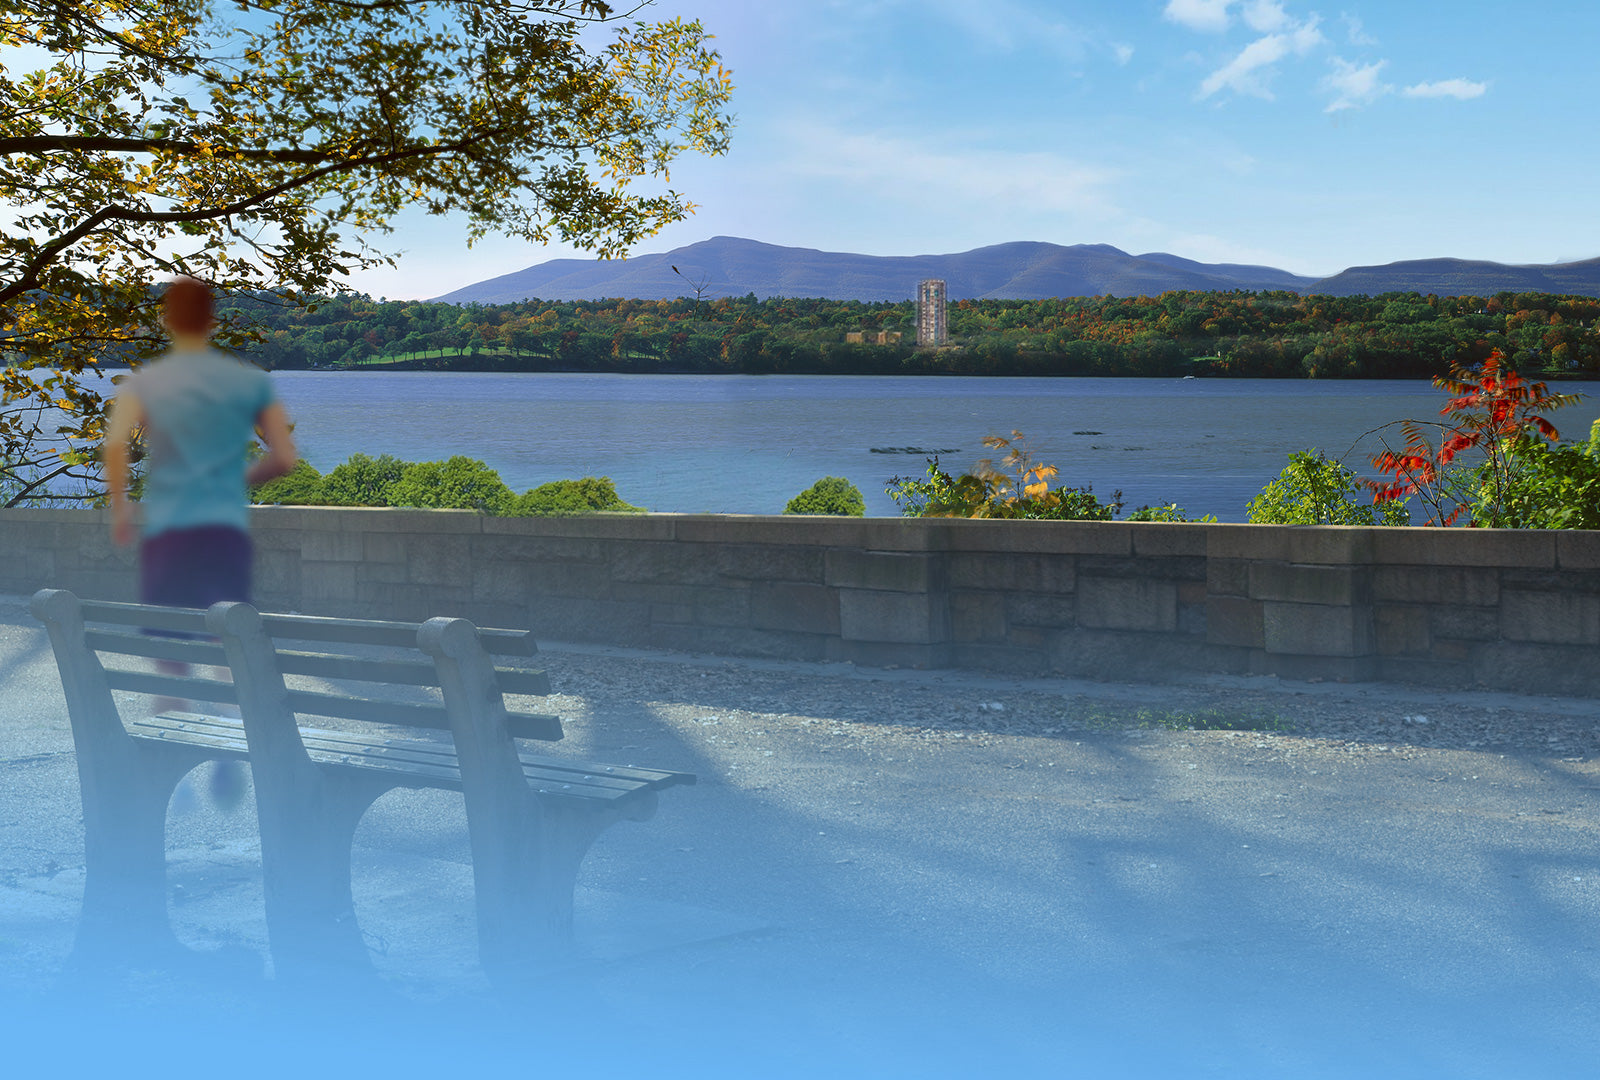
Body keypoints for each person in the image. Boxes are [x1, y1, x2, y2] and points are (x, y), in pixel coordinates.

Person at [104, 276, 297, 606]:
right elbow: (283, 458)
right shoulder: (248, 383)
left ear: (167, 321)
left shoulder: (143, 386)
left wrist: (121, 514)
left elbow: (115, 450)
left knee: (167, 631)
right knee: (227, 628)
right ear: (211, 321)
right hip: (223, 527)